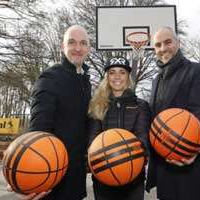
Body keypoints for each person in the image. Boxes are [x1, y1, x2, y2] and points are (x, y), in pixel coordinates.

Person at [11, 25, 92, 200]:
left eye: (83, 43)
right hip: (51, 180)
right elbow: (38, 126)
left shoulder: (85, 80)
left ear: (89, 49)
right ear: (62, 47)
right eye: (72, 42)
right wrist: (30, 174)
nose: (78, 48)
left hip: (75, 178)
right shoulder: (50, 78)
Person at [145, 27, 200, 200]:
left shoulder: (198, 71)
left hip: (190, 164)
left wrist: (187, 148)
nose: (163, 48)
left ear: (178, 43)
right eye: (158, 45)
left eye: (168, 42)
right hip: (164, 167)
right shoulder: (156, 80)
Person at [88, 56, 152, 200]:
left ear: (128, 76)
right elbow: (93, 140)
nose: (117, 76)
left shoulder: (141, 106)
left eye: (122, 72)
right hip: (103, 175)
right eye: (112, 72)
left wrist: (124, 160)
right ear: (107, 77)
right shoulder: (97, 105)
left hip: (133, 175)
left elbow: (143, 139)